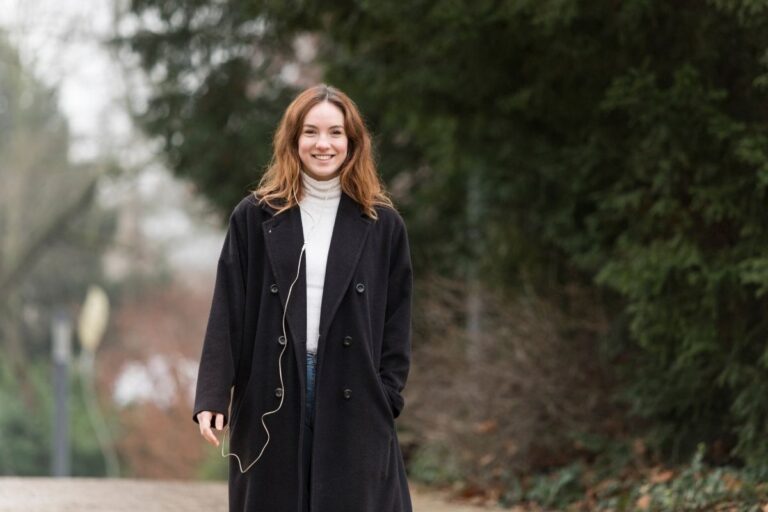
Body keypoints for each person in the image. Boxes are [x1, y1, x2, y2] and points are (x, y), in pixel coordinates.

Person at [192, 84, 414, 512]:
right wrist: (212, 396)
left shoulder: (382, 223)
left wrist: (387, 395)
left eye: (335, 132)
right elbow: (228, 310)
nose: (323, 144)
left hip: (355, 393)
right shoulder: (255, 216)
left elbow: (398, 322)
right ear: (293, 140)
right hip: (272, 390)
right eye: (311, 132)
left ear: (352, 142)